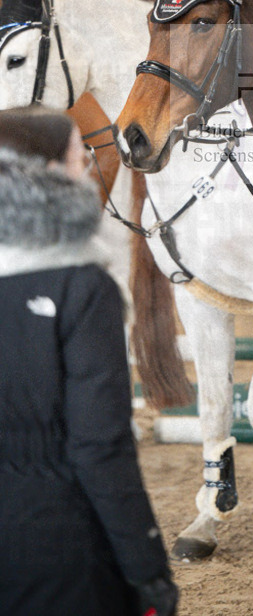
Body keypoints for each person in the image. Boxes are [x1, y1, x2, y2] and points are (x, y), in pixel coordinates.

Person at [0, 106, 178, 616]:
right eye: (82, 155)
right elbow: (100, 446)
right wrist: (147, 567)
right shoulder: (83, 287)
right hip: (58, 542)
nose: (91, 167)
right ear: (50, 174)